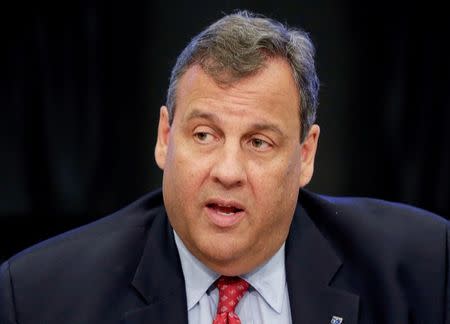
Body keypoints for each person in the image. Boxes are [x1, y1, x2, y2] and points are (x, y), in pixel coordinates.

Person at [0, 10, 448, 324]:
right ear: (164, 138)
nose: (228, 171)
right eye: (204, 135)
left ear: (305, 155)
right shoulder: (40, 296)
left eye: (258, 141)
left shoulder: (424, 268)